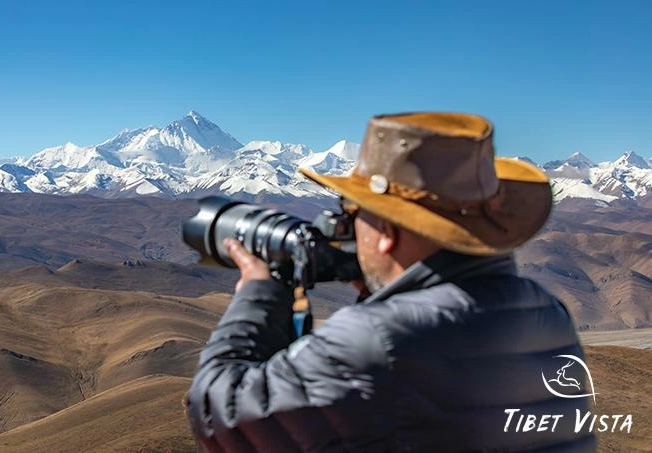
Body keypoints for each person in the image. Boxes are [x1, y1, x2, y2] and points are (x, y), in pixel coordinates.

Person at [186, 112, 595, 452]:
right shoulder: (545, 309)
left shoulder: (377, 338)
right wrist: (386, 292)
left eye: (352, 210)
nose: (345, 227)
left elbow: (218, 415)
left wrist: (259, 293)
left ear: (386, 230)